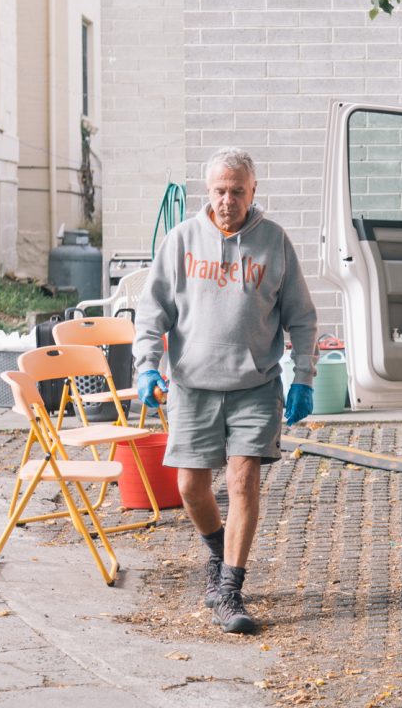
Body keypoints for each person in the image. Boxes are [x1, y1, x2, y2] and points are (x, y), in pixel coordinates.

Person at [133, 148, 318, 635]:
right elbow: (152, 311)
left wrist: (303, 376)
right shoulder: (181, 241)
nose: (227, 200)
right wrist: (147, 366)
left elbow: (302, 316)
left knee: (242, 482)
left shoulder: (274, 243)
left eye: (237, 191)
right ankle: (216, 550)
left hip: (255, 385)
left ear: (253, 191)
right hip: (192, 385)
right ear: (207, 190)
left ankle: (230, 589)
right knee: (190, 487)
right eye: (219, 190)